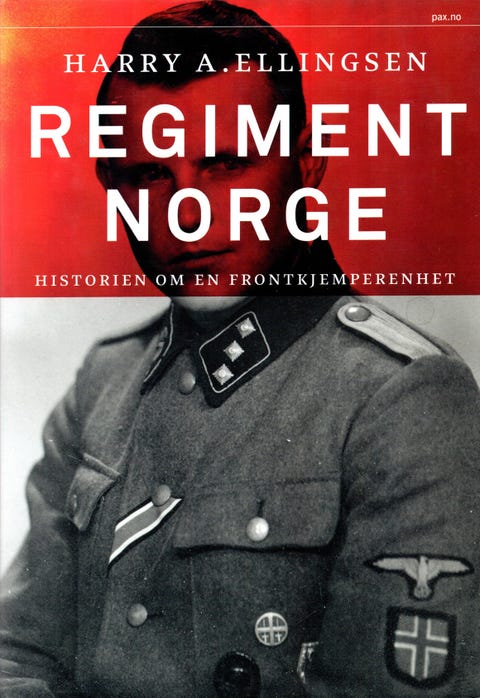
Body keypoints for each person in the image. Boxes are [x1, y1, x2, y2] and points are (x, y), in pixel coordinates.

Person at [1, 1, 479, 696]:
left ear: (306, 168)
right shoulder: (104, 380)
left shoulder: (404, 397)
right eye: (148, 175)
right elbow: (19, 654)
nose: (187, 213)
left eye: (225, 164)